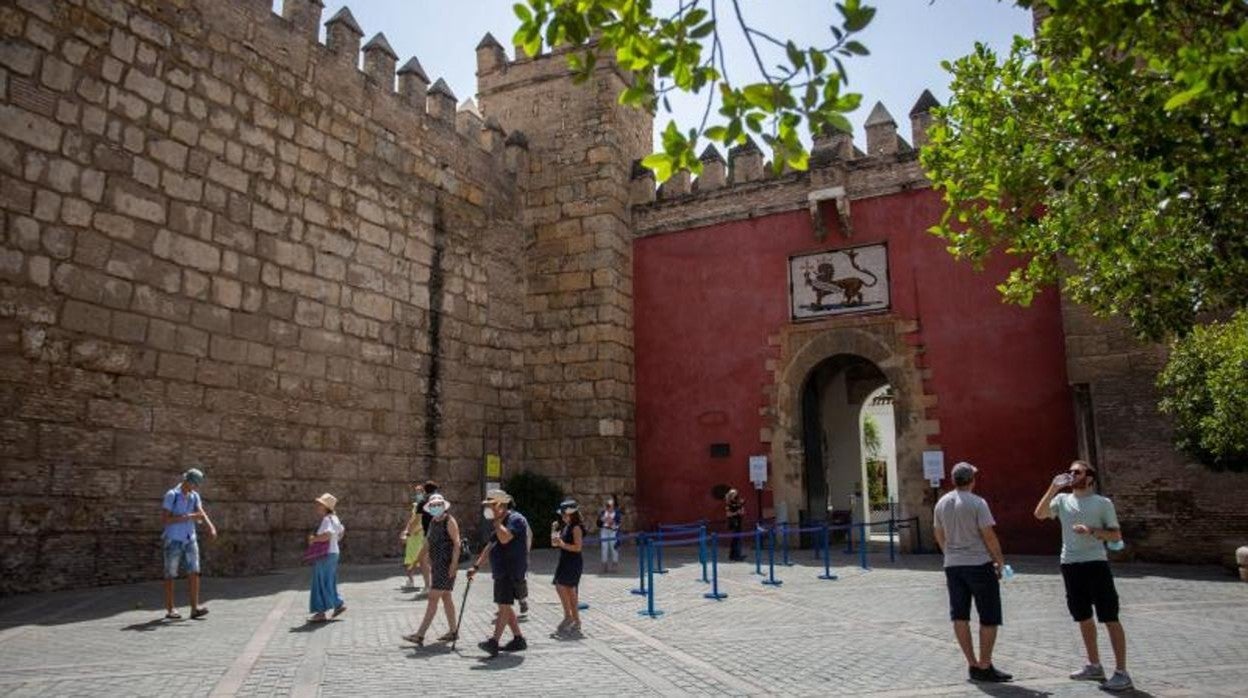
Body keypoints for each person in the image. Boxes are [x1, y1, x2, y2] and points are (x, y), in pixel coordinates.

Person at [1034, 461, 1132, 692]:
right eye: (1069, 471)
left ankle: (1121, 672)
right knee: (1083, 617)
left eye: (1076, 472)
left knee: (1109, 617)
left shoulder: (1102, 503)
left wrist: (1092, 531)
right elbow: (1039, 514)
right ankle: (1094, 665)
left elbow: (1116, 534)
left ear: (1089, 478)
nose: (1071, 475)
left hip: (1096, 564)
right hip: (1070, 564)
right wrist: (1053, 488)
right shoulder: (1061, 501)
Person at [933, 462, 1012, 683]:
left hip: (953, 565)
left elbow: (938, 533)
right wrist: (1000, 562)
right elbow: (988, 535)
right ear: (972, 480)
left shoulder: (941, 503)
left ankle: (972, 663)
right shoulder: (978, 503)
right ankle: (985, 664)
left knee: (960, 615)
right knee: (989, 615)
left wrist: (948, 552)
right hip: (978, 563)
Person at [467, 489, 529, 657]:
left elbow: (505, 538)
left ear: (501, 505)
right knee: (505, 605)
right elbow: (490, 546)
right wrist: (476, 566)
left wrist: (496, 522)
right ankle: (518, 638)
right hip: (501, 570)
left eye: (491, 505)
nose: (489, 509)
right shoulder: (501, 520)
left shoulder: (516, 520)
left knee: (504, 605)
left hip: (511, 570)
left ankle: (494, 642)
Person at [402, 494, 460, 646]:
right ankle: (453, 631)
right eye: (433, 505)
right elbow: (427, 544)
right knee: (446, 597)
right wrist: (415, 562)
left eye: (438, 504)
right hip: (437, 564)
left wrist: (454, 564)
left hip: (446, 565)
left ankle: (420, 634)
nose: (435, 507)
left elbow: (457, 543)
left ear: (444, 505)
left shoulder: (449, 520)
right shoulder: (434, 522)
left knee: (433, 598)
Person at [161, 468, 217, 620]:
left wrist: (210, 526)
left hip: (190, 538)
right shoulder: (172, 495)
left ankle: (194, 608)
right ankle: (171, 608)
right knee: (170, 574)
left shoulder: (194, 496)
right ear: (188, 481)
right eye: (195, 484)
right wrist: (189, 517)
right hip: (173, 539)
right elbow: (165, 519)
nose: (196, 487)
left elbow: (201, 512)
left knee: (194, 571)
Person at [308, 493, 346, 623]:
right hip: (334, 552)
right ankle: (337, 603)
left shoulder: (326, 520)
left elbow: (328, 534)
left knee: (320, 582)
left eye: (320, 504)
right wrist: (335, 541)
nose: (317, 506)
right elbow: (341, 531)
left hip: (326, 554)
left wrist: (314, 539)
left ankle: (320, 612)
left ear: (325, 507)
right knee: (328, 580)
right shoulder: (335, 518)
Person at [551, 499, 585, 637]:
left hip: (573, 561)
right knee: (564, 588)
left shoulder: (576, 527)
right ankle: (571, 618)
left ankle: (572, 618)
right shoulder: (566, 526)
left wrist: (562, 544)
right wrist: (554, 531)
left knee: (568, 589)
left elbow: (578, 547)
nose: (563, 517)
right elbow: (554, 544)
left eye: (565, 515)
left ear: (571, 514)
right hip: (565, 560)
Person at [411, 480, 439, 598]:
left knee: (423, 560)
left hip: (428, 535)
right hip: (440, 534)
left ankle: (428, 586)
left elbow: (417, 520)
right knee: (436, 560)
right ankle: (437, 585)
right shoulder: (439, 502)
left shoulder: (422, 503)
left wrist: (408, 531)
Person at [400, 483, 428, 591]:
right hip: (412, 535)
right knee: (409, 558)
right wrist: (407, 530)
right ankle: (410, 580)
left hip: (419, 535)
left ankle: (427, 583)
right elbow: (412, 520)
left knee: (422, 560)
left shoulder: (425, 506)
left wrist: (413, 530)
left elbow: (423, 522)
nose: (418, 494)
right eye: (417, 492)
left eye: (420, 492)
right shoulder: (416, 506)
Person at [598, 494, 622, 573]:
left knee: (613, 547)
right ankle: (604, 564)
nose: (608, 507)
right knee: (604, 547)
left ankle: (615, 563)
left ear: (613, 506)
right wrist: (602, 520)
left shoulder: (617, 513)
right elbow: (598, 523)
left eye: (610, 506)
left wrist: (612, 522)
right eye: (607, 505)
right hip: (604, 531)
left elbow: (618, 522)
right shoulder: (603, 512)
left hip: (613, 531)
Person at [725, 489, 745, 561]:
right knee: (735, 539)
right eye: (734, 494)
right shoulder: (728, 504)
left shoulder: (737, 502)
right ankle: (733, 556)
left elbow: (742, 512)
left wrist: (742, 507)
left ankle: (738, 554)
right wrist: (737, 512)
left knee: (738, 539)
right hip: (734, 522)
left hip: (739, 522)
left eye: (736, 494)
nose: (736, 495)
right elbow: (728, 514)